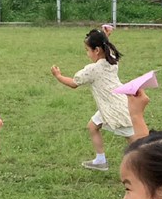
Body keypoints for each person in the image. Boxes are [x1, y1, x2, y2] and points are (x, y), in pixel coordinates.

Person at [52, 29, 135, 171]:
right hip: (112, 104)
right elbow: (105, 45)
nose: (87, 53)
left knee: (134, 141)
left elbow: (73, 83)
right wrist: (105, 36)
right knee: (92, 126)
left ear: (97, 50)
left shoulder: (94, 69)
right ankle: (100, 161)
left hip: (116, 107)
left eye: (87, 50)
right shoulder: (111, 59)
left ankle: (150, 164)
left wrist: (58, 76)